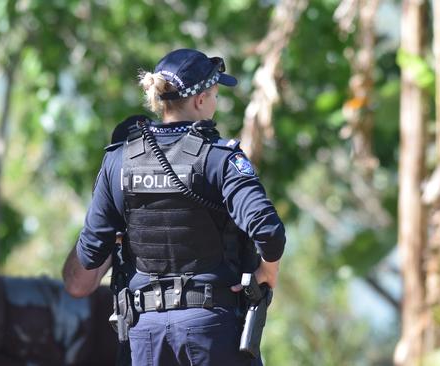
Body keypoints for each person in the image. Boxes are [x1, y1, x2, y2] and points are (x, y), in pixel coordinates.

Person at [62, 48, 285, 366]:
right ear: (200, 100)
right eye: (215, 95)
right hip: (212, 330)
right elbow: (268, 230)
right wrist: (268, 271)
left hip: (146, 336)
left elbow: (89, 253)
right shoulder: (221, 158)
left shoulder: (117, 161)